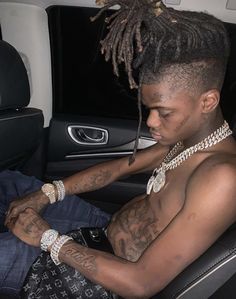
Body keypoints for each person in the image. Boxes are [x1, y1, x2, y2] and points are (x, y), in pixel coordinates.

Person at [1, 0, 236, 298]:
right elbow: (118, 168)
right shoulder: (189, 143)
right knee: (13, 184)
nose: (151, 121)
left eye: (163, 112)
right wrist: (49, 192)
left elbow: (141, 283)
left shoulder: (223, 178)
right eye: (148, 109)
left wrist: (46, 238)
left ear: (208, 102)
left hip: (106, 279)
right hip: (100, 229)